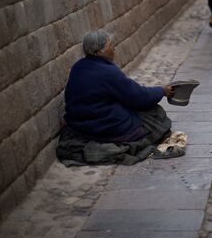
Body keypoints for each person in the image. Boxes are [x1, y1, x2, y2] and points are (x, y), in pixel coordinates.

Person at [58, 30, 180, 165]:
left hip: (80, 124)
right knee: (156, 115)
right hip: (102, 125)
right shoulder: (108, 72)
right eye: (110, 46)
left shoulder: (78, 66)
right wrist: (161, 91)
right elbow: (138, 96)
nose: (114, 49)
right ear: (99, 52)